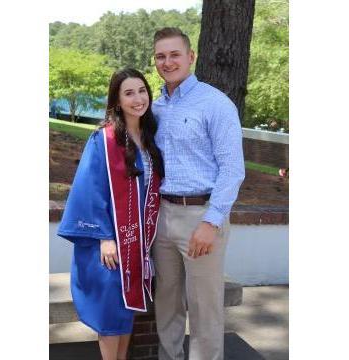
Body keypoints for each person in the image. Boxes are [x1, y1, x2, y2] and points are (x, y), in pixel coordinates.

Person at [151, 27, 245, 360]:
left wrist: (211, 221)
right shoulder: (156, 106)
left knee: (205, 310)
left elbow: (233, 169)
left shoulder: (215, 103)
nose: (168, 61)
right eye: (161, 56)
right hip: (163, 216)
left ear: (191, 56)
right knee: (167, 302)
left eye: (175, 54)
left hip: (201, 216)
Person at [57, 68, 164, 360]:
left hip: (137, 243)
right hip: (108, 243)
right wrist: (104, 237)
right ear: (117, 101)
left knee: (126, 310)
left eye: (142, 91)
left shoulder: (150, 138)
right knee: (109, 311)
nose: (138, 98)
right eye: (129, 93)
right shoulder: (103, 140)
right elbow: (89, 190)